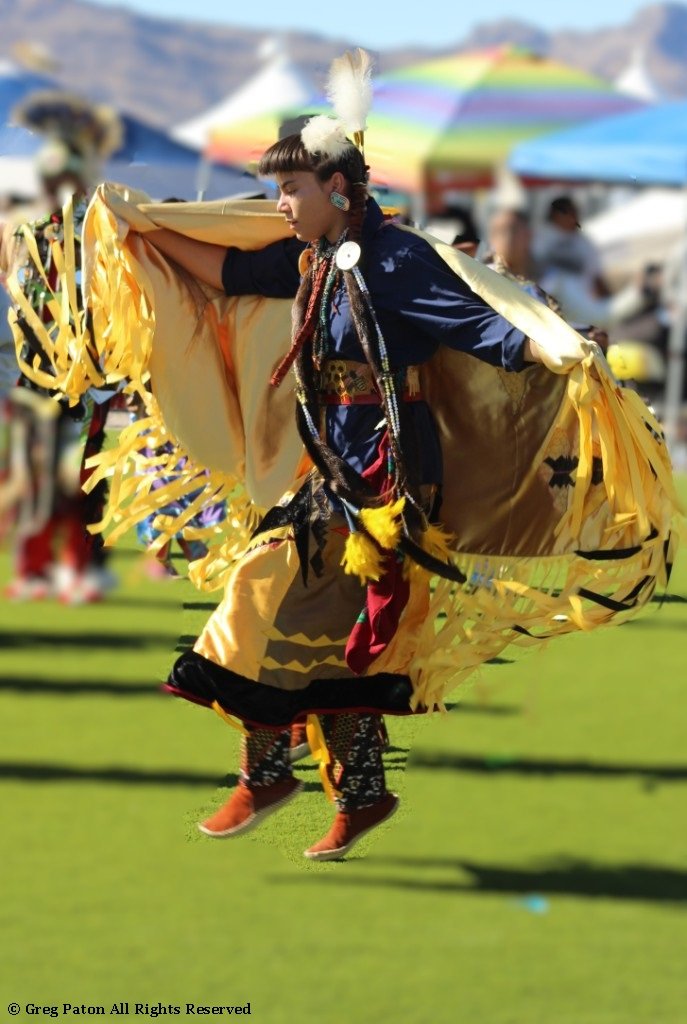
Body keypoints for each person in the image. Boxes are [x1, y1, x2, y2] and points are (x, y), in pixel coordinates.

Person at [22, 53, 678, 862]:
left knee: (263, 591)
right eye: (275, 191)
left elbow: (483, 330)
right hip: (326, 470)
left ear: (337, 187)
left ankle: (267, 773)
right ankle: (359, 795)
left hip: (387, 479)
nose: (278, 205)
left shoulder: (396, 260)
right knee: (339, 643)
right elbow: (226, 268)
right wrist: (139, 235)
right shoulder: (309, 259)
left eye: (289, 190)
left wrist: (559, 351)